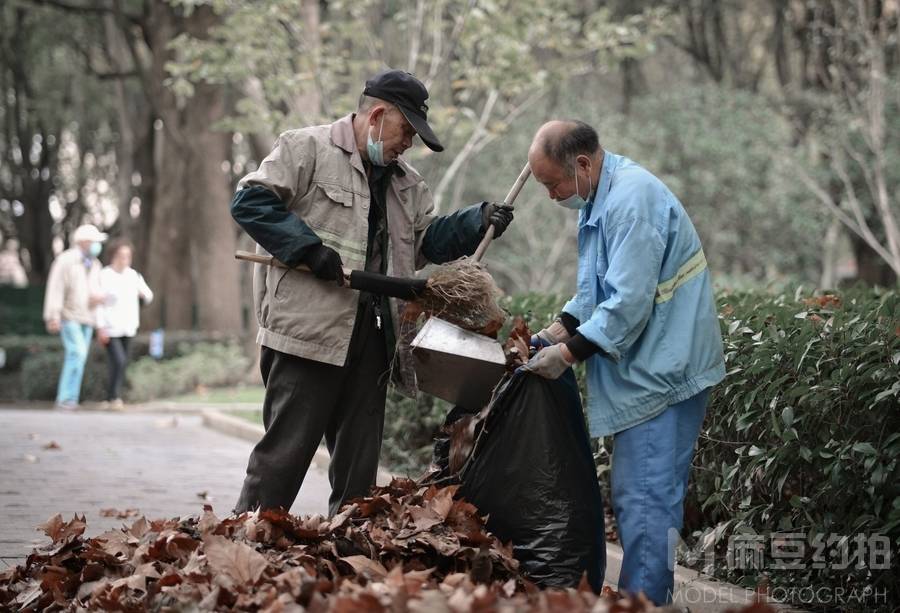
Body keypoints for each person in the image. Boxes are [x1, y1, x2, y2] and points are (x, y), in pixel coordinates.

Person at [230, 69, 514, 517]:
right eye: (407, 132)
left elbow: (424, 244)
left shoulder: (407, 182)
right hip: (309, 337)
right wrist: (308, 249)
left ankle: (351, 560)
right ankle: (245, 551)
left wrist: (475, 221)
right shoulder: (306, 148)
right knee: (281, 462)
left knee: (359, 479)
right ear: (378, 115)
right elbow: (250, 202)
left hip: (373, 343)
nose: (409, 145)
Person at [524, 120, 726, 605]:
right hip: (647, 369)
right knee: (637, 501)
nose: (552, 196)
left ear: (582, 164)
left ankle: (646, 602)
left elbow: (629, 303)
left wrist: (567, 355)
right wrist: (555, 331)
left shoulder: (631, 201)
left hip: (665, 373)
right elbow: (597, 292)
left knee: (647, 504)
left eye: (552, 183)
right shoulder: (598, 200)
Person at [43, 224, 108, 410]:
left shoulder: (95, 264)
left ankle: (71, 398)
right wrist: (53, 316)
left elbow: (95, 291)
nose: (97, 245)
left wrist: (98, 307)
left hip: (87, 318)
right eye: (94, 241)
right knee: (76, 353)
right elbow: (56, 289)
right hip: (68, 316)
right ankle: (65, 398)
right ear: (84, 242)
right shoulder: (66, 260)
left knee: (79, 357)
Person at [96, 240, 154, 409]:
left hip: (128, 326)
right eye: (122, 256)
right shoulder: (104, 275)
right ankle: (114, 396)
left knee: (120, 363)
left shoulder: (133, 275)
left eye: (128, 256)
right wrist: (100, 327)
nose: (125, 260)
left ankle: (111, 397)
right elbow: (99, 304)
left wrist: (141, 295)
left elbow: (149, 295)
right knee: (119, 361)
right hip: (110, 328)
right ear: (114, 256)